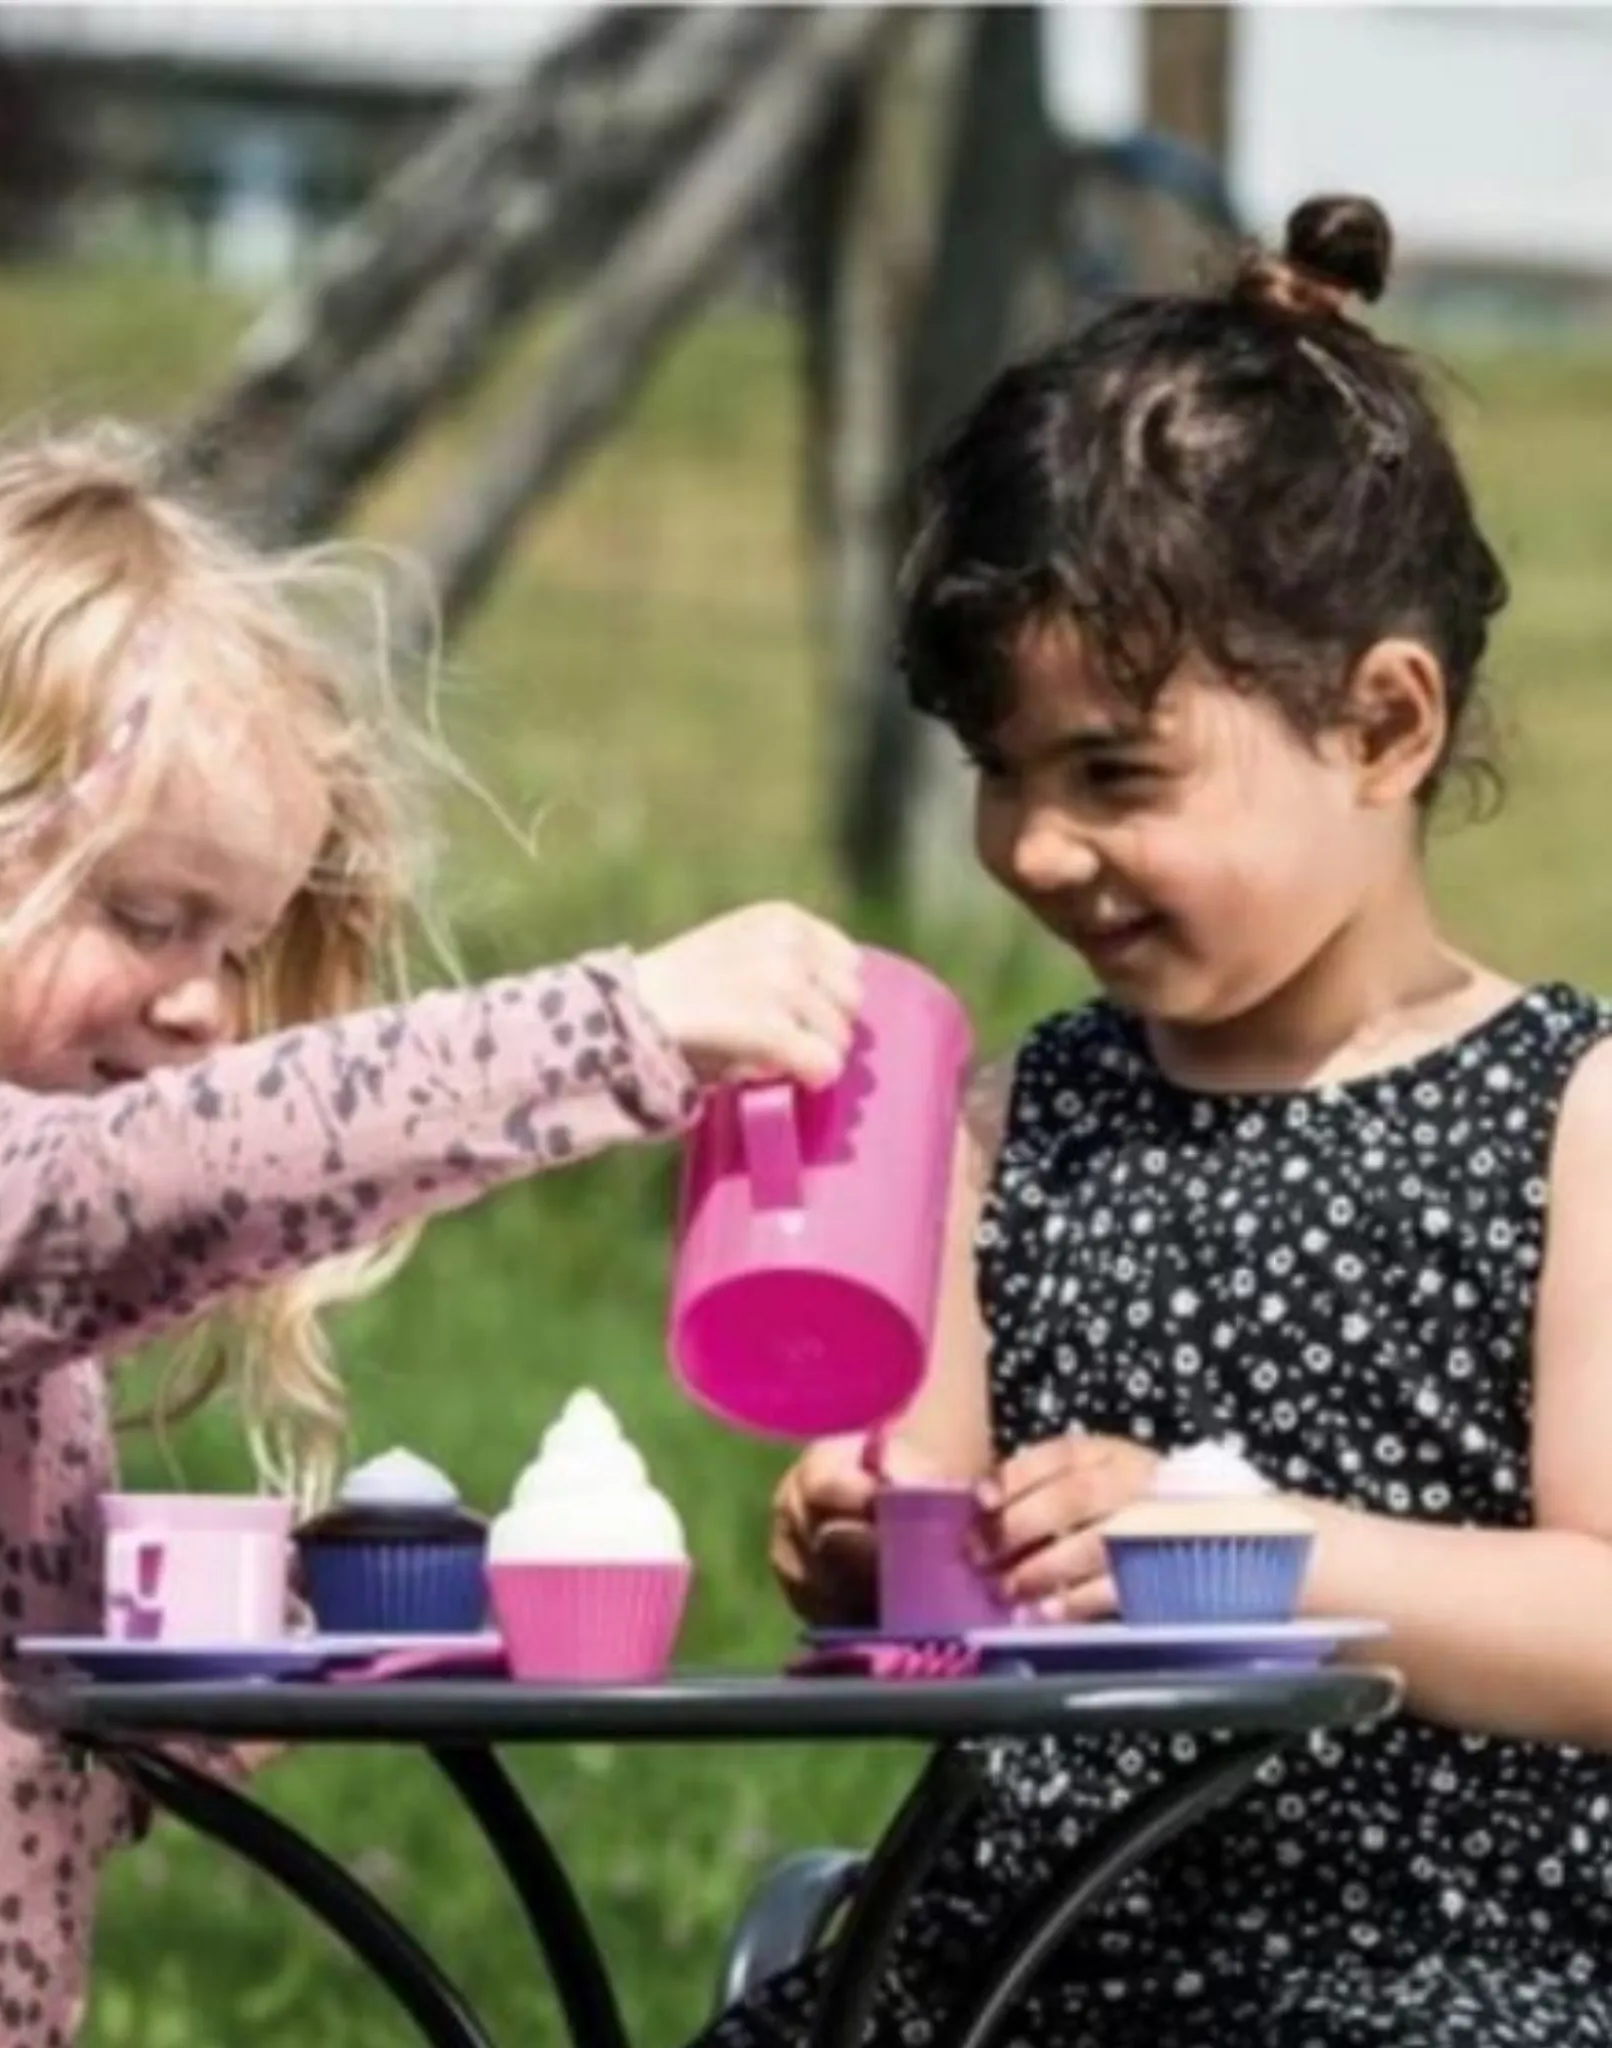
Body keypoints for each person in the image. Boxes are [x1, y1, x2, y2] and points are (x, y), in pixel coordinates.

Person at [0, 423, 864, 2044]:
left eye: (237, 944)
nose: (202, 1005)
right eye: (145, 917)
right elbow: (162, 1176)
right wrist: (625, 1024)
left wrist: (245, 1673)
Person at [735, 194, 1612, 2047]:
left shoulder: (1573, 1116)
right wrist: (863, 1536)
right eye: (1001, 773)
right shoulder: (1019, 1114)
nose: (1040, 849)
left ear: (1383, 726)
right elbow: (925, 1557)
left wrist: (1240, 1556)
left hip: (1420, 1973)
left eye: (1116, 773)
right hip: (1003, 1968)